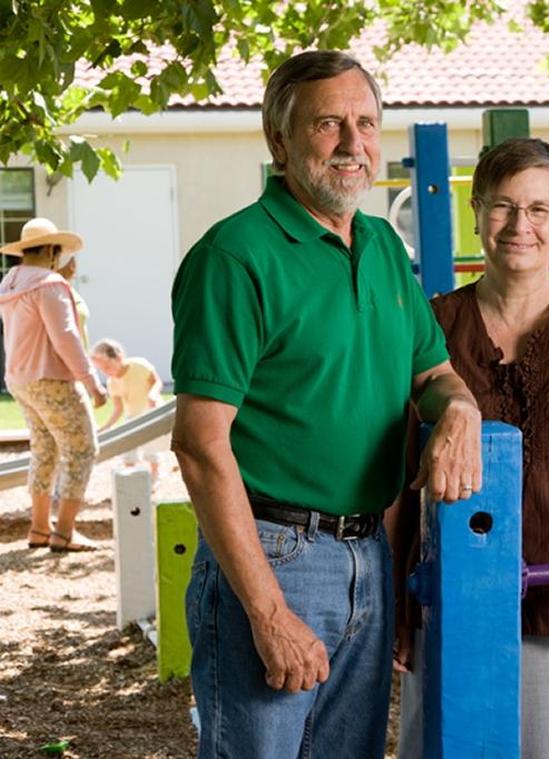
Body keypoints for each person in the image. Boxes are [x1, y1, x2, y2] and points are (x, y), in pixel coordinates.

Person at [170, 50, 481, 758]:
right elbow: (198, 443)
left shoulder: (380, 246)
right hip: (272, 552)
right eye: (328, 125)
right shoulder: (235, 256)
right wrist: (268, 610)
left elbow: (435, 374)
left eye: (366, 123)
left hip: (368, 550)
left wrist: (461, 409)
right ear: (279, 142)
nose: (353, 143)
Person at [392, 138, 549, 758]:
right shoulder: (432, 327)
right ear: (476, 212)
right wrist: (402, 603)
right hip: (454, 597)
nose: (520, 226)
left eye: (539, 209)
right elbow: (402, 476)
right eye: (504, 206)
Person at [0, 218, 108, 551]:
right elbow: (66, 339)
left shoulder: (10, 281)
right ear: (50, 249)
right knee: (82, 450)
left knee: (44, 451)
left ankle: (38, 529)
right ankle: (64, 532)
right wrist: (92, 382)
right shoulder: (49, 284)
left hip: (20, 380)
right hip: (52, 380)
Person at [90, 338, 164, 481]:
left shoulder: (140, 366)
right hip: (132, 416)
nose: (106, 372)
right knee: (128, 449)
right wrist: (106, 426)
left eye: (107, 366)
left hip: (150, 412)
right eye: (102, 369)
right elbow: (119, 408)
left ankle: (155, 477)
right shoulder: (112, 382)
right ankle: (130, 480)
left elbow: (157, 382)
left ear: (118, 357)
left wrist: (152, 395)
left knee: (151, 448)